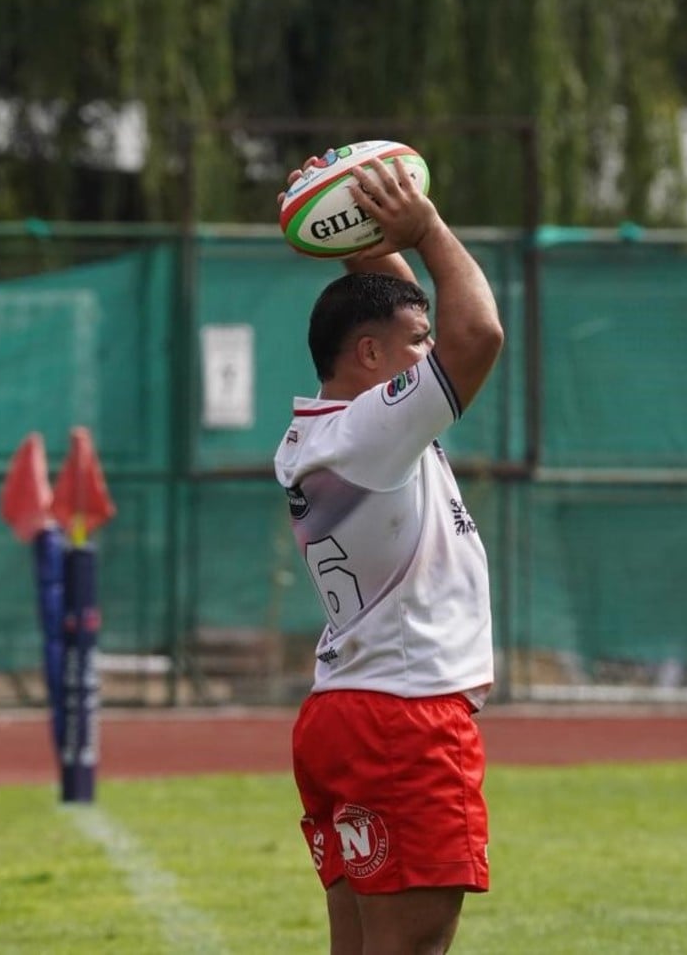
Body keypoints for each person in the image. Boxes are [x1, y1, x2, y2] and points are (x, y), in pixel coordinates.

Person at [273, 155, 505, 955]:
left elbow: (397, 305)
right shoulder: (374, 431)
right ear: (367, 357)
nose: (429, 349)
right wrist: (428, 227)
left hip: (343, 710)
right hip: (404, 721)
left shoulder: (329, 429)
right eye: (414, 344)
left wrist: (357, 219)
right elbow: (479, 335)